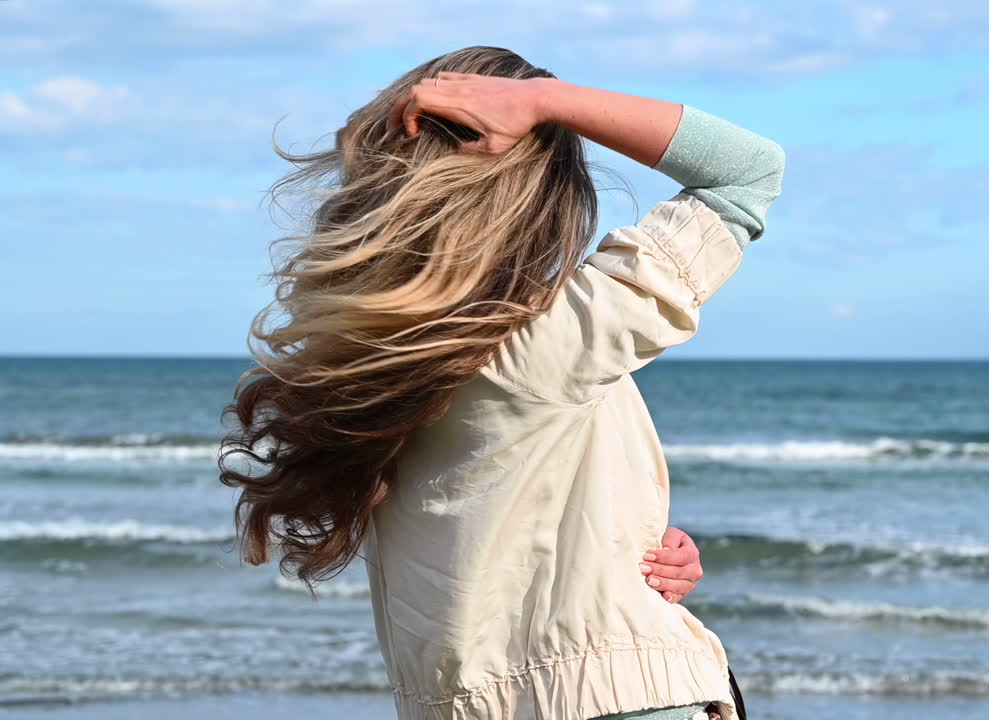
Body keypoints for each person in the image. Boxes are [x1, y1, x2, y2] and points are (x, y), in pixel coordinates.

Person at [219, 45, 783, 720]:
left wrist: (615, 537)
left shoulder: (355, 369)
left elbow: (492, 531)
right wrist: (549, 102)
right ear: (545, 195)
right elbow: (747, 175)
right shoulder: (548, 343)